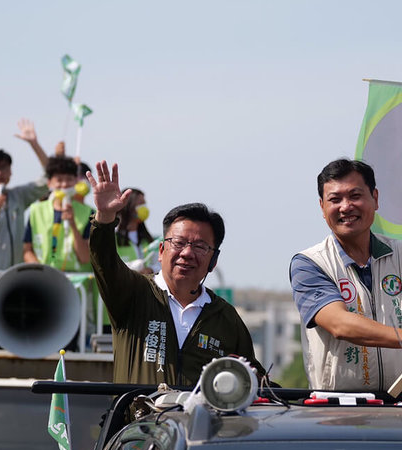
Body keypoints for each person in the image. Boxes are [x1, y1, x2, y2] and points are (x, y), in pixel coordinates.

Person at [289, 156, 402, 392]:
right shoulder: (309, 264)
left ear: (375, 199)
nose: (346, 206)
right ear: (322, 208)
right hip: (339, 412)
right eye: (335, 199)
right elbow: (340, 324)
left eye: (355, 196)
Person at [86, 160, 265, 385]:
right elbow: (105, 261)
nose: (187, 253)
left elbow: (254, 381)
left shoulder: (226, 318)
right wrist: (104, 219)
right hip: (139, 419)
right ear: (161, 250)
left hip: (204, 421)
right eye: (179, 243)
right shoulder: (134, 294)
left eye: (200, 246)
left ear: (214, 260)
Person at [23, 156, 93, 271]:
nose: (64, 184)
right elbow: (27, 250)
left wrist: (73, 225)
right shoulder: (36, 210)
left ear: (76, 181)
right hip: (43, 277)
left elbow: (85, 258)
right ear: (49, 183)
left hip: (75, 282)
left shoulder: (89, 213)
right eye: (59, 180)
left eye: (69, 179)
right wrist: (40, 271)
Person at [115, 188, 160, 274]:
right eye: (140, 204)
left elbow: (159, 264)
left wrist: (150, 270)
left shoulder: (148, 239)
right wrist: (135, 267)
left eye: (145, 204)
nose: (145, 208)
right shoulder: (114, 238)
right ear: (129, 207)